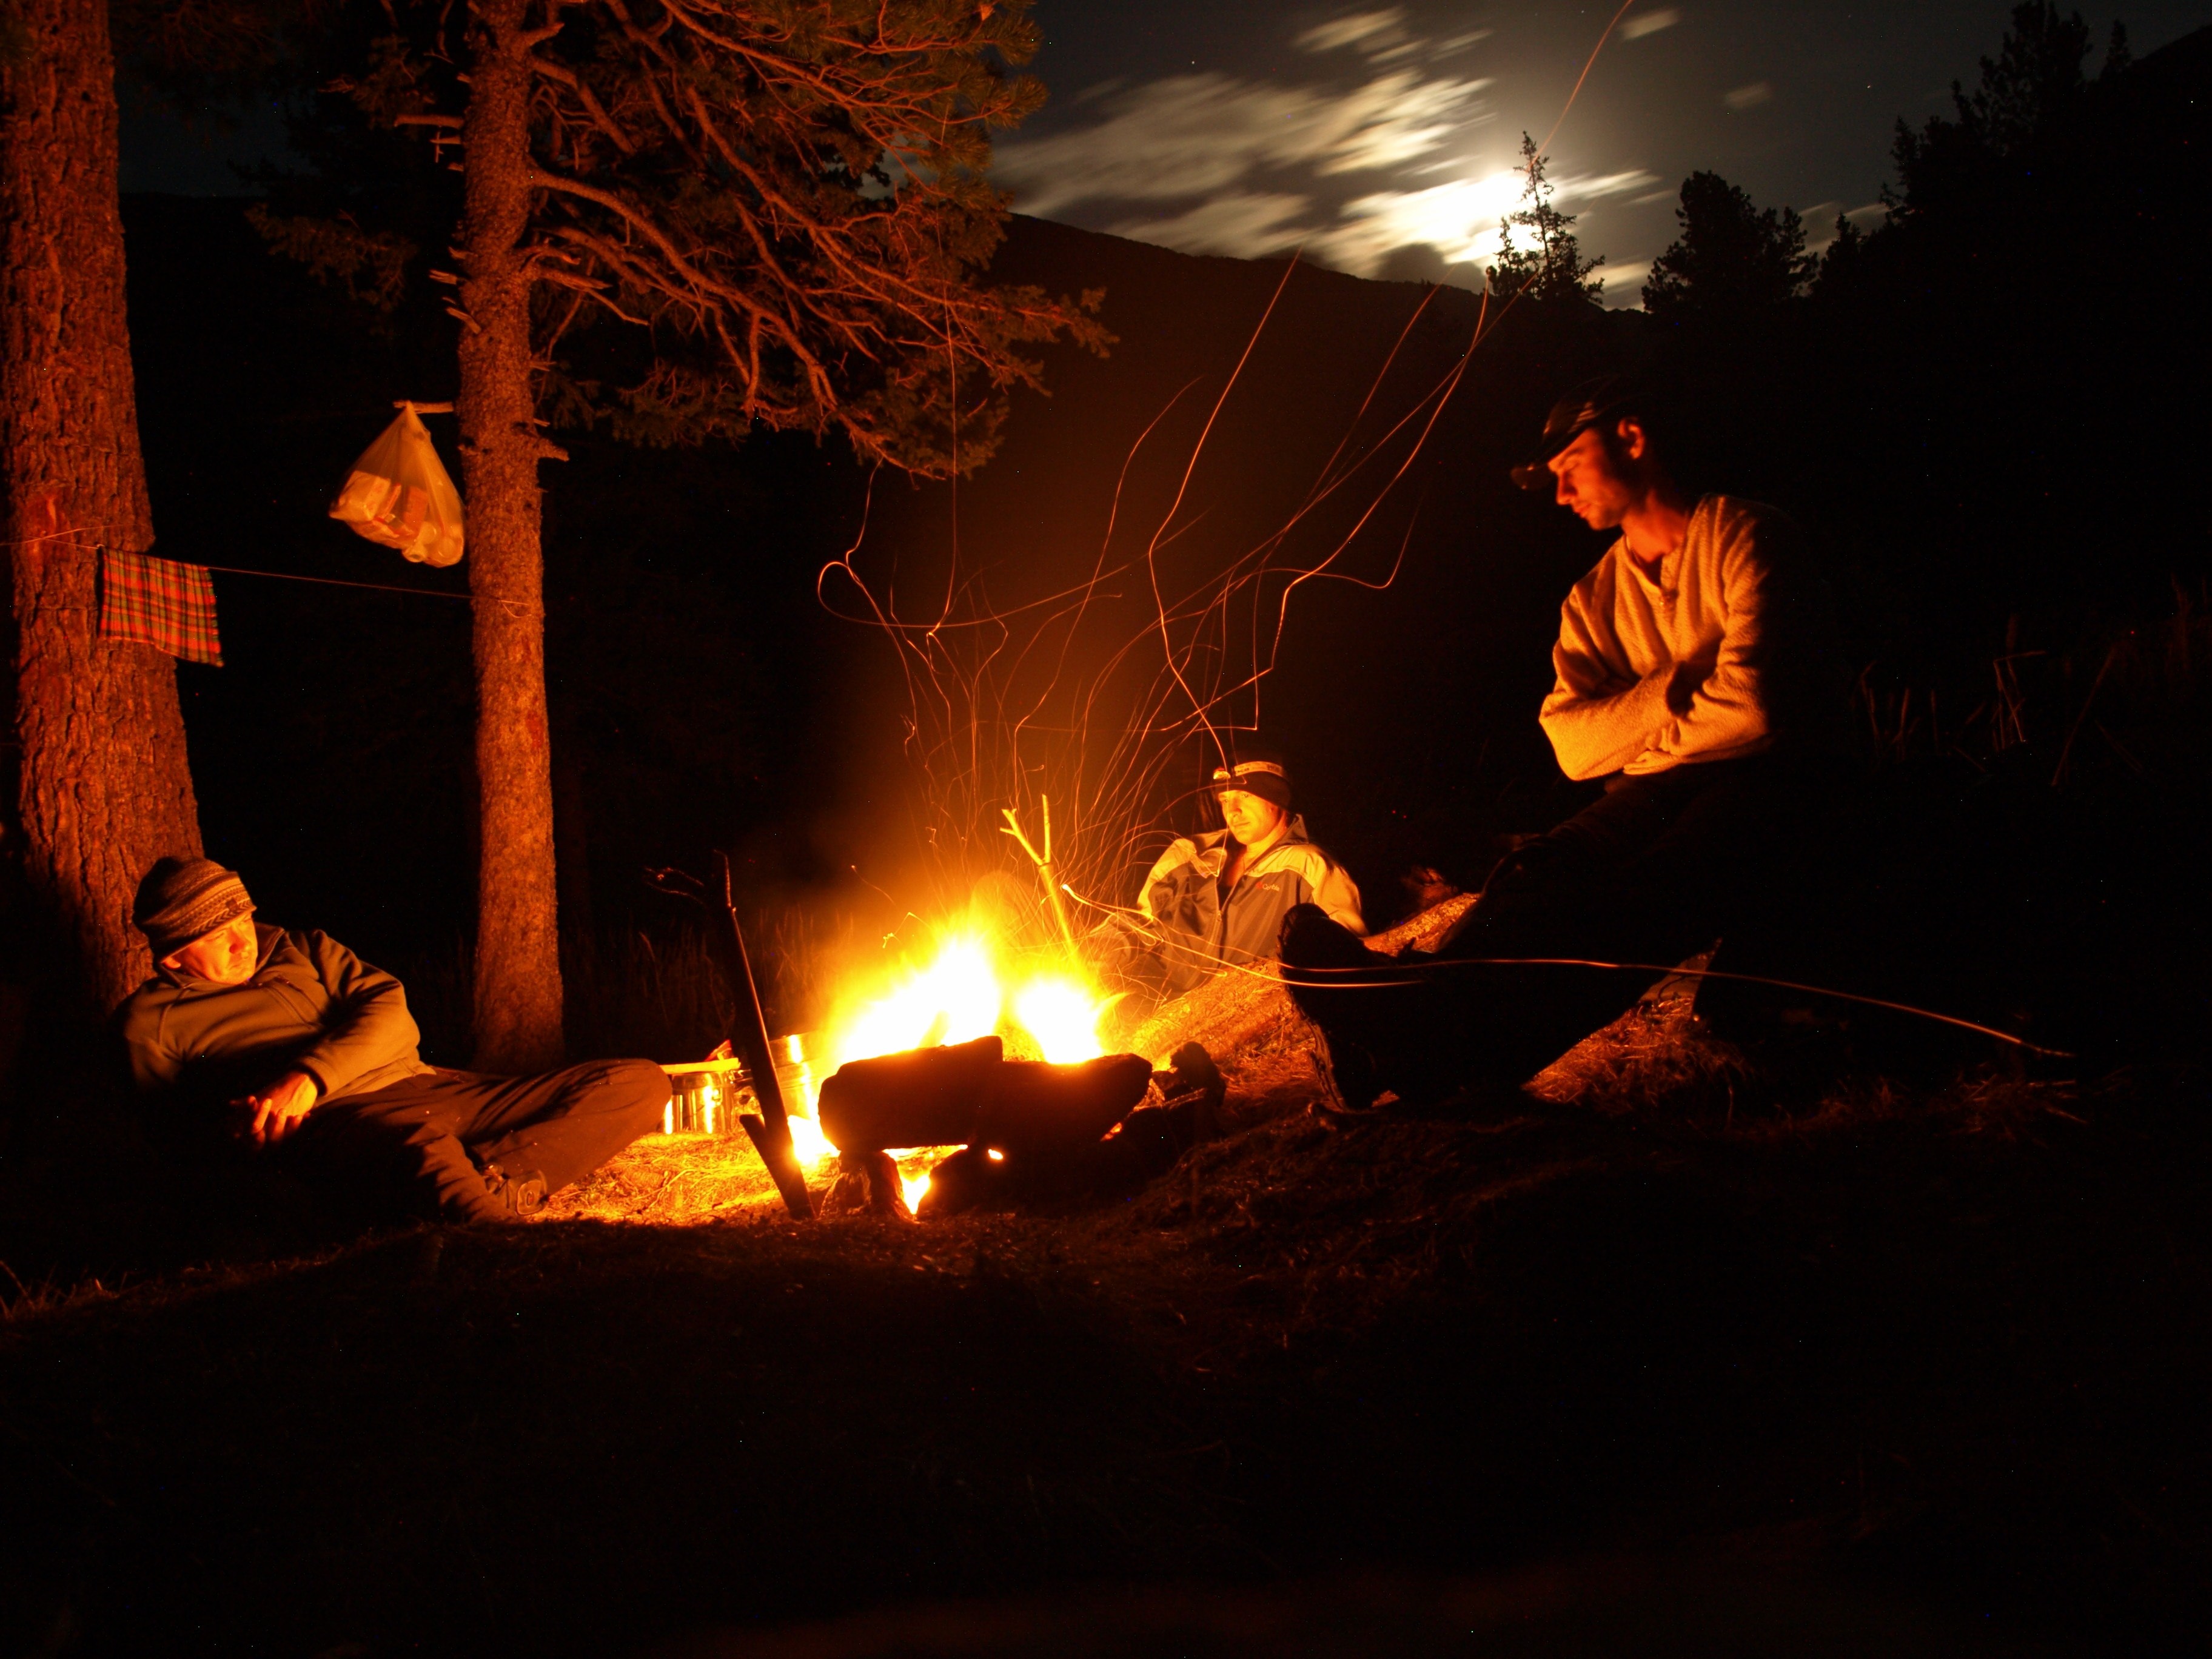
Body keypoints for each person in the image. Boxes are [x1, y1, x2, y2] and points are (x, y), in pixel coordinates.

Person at [1281, 377, 1842, 1107]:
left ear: (1631, 439)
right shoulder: (1592, 599)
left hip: (1787, 782)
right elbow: (1573, 748)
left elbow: (1760, 710)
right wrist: (1672, 688)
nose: (1558, 494)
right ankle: (1409, 1013)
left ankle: (1415, 1050)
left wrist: (1635, 739)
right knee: (1540, 870)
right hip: (1664, 786)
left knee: (1648, 893)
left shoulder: (1746, 536)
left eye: (1569, 465)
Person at [118, 856, 669, 1222]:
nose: (242, 941)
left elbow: (390, 1009)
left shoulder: (302, 948)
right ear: (173, 956)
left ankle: (489, 1178)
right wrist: (241, 1138)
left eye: (242, 918)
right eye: (218, 937)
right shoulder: (152, 1020)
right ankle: (499, 1241)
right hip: (342, 1121)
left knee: (635, 1081)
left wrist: (306, 1078)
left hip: (428, 1085)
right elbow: (171, 1136)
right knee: (420, 1145)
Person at [1099, 746, 1366, 1005]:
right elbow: (1143, 923)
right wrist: (1097, 949)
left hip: (1243, 1021)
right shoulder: (1188, 855)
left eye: (1245, 796)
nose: (1233, 811)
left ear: (1277, 798)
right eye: (1225, 800)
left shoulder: (1311, 867)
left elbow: (1346, 951)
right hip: (1161, 1012)